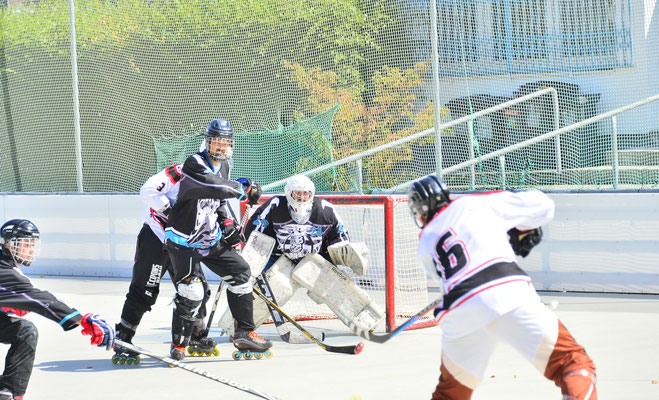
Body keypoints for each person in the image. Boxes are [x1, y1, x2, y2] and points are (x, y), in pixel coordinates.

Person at [407, 175, 597, 400]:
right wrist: (522, 227)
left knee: (449, 395)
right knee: (572, 362)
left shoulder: (424, 242)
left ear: (421, 208)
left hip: (459, 311)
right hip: (507, 294)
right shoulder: (472, 203)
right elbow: (544, 205)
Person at [218, 174, 383, 336]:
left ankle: (366, 319)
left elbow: (341, 238)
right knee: (266, 289)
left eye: (306, 193)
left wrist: (339, 261)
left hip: (314, 260)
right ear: (288, 193)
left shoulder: (326, 209)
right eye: (297, 193)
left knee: (335, 288)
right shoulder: (275, 205)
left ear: (312, 194)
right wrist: (255, 267)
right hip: (280, 259)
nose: (302, 197)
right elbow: (254, 233)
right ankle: (238, 327)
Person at [164, 118, 271, 360]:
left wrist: (228, 225)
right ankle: (179, 344)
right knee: (192, 292)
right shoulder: (194, 163)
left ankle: (244, 333)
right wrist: (242, 187)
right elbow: (213, 186)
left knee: (242, 272)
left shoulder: (225, 167)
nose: (220, 148)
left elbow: (218, 202)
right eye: (216, 142)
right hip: (183, 240)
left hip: (210, 239)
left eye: (225, 143)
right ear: (207, 142)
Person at [0, 219, 115, 400]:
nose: (31, 249)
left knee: (25, 331)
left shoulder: (8, 267)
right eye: (25, 244)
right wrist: (82, 319)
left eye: (33, 244)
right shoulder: (5, 272)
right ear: (7, 243)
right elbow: (40, 298)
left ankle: (9, 393)